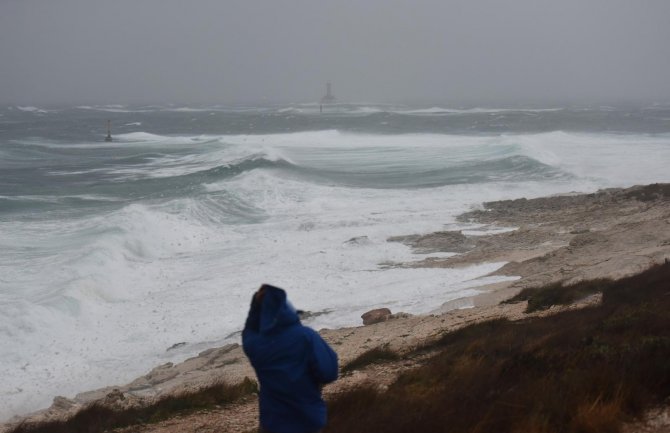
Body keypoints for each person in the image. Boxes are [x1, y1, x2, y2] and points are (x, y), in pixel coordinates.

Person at [242, 284, 339, 433]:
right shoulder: (306, 337)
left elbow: (249, 330)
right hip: (307, 420)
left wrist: (256, 305)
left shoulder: (256, 345)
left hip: (272, 423)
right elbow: (329, 372)